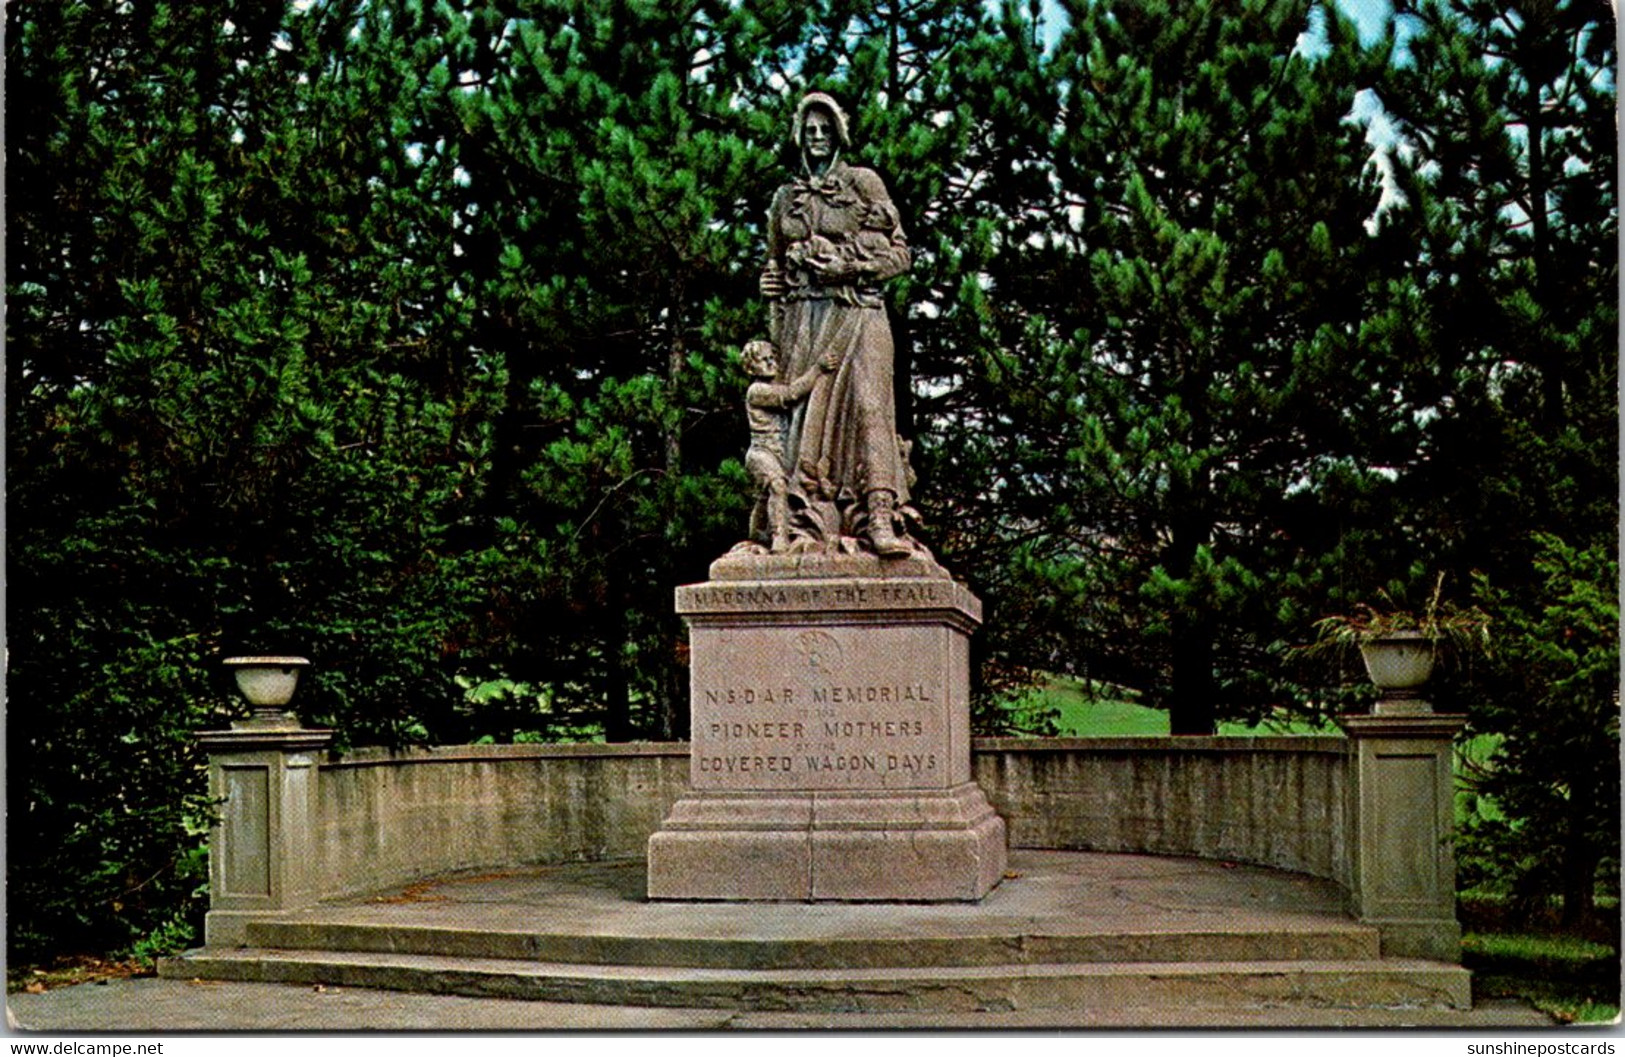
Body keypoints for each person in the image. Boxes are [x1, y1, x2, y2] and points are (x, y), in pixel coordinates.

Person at [758, 92, 915, 557]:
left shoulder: (865, 183)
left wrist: (846, 267)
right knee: (806, 422)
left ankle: (880, 519)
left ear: (840, 132)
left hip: (859, 311)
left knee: (871, 409)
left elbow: (900, 254)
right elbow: (772, 263)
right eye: (810, 130)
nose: (818, 137)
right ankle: (805, 524)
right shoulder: (785, 199)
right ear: (799, 137)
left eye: (826, 128)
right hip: (804, 319)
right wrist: (770, 281)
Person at [742, 340, 837, 553]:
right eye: (763, 360)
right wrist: (817, 368)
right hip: (761, 452)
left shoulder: (771, 386)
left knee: (765, 497)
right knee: (777, 486)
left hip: (779, 452)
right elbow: (792, 394)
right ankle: (779, 539)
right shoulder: (756, 391)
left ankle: (756, 535)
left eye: (772, 358)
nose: (771, 363)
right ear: (751, 367)